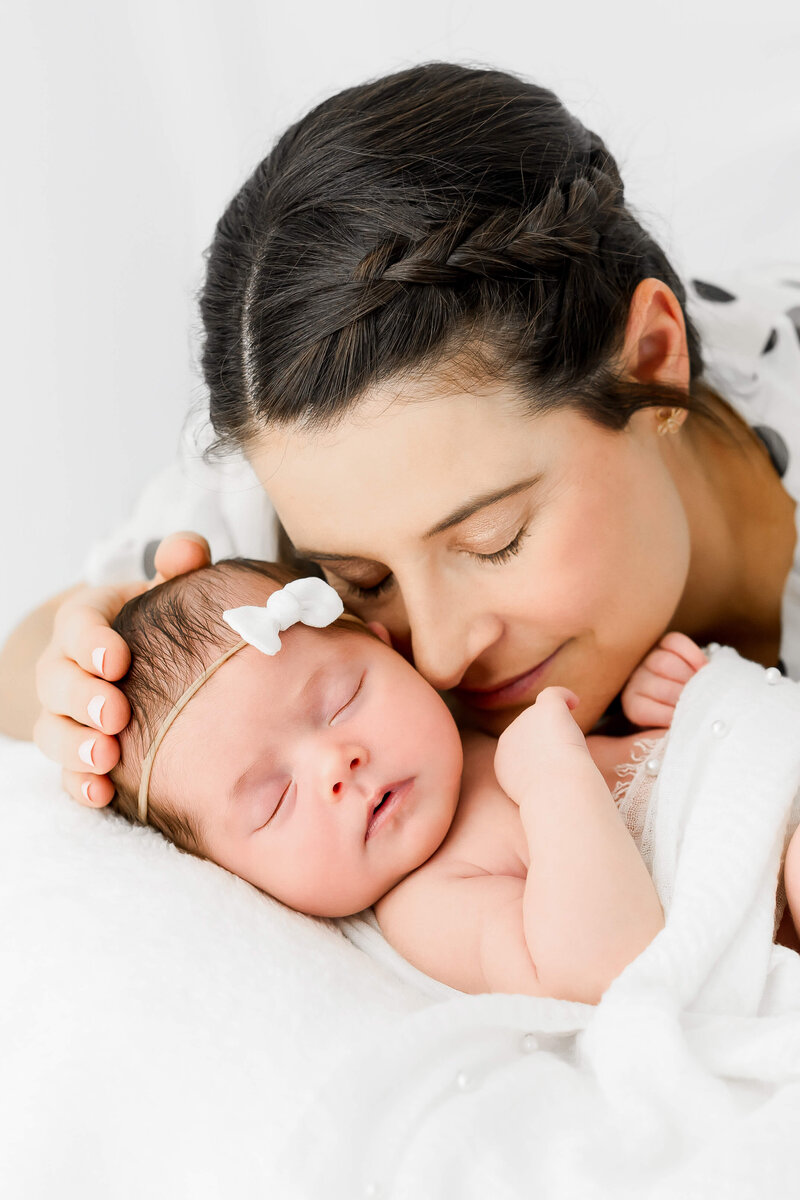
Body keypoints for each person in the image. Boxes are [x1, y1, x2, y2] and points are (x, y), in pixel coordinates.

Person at [2, 63, 798, 816]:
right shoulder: (298, 509)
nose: (443, 658)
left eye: (494, 541)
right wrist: (97, 677)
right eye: (365, 579)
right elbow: (20, 665)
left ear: (655, 361)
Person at [106, 556, 716, 1001]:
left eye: (343, 700)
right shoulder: (431, 901)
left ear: (391, 652)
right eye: (276, 800)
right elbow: (603, 970)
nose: (335, 764)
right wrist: (556, 781)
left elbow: (655, 784)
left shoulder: (475, 726)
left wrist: (668, 713)